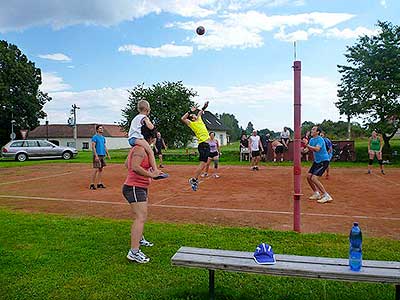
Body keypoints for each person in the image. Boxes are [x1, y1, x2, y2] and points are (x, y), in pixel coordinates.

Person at [123, 127, 163, 263]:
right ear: (151, 139)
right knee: (140, 217)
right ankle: (134, 252)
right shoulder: (140, 149)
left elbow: (126, 164)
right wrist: (151, 174)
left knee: (140, 216)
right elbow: (134, 167)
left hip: (140, 186)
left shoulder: (140, 149)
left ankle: (139, 239)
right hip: (134, 187)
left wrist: (149, 170)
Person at [181, 101, 210, 191]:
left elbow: (200, 111)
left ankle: (194, 179)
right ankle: (193, 179)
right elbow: (183, 118)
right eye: (192, 116)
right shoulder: (192, 124)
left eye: (194, 115)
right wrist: (190, 111)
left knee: (205, 163)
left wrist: (204, 107)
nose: (194, 116)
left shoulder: (199, 119)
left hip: (207, 144)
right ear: (192, 119)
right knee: (203, 163)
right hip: (203, 144)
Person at [128, 99, 160, 174]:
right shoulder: (144, 117)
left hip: (131, 139)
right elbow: (150, 126)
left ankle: (144, 166)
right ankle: (155, 170)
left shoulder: (136, 118)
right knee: (150, 151)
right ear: (147, 109)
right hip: (137, 138)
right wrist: (154, 129)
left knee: (142, 151)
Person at [305, 126, 333, 204]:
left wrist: (307, 145)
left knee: (314, 178)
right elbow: (308, 149)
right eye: (312, 129)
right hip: (317, 161)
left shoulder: (320, 139)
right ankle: (316, 193)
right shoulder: (311, 139)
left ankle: (326, 195)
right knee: (308, 177)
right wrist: (303, 149)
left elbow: (317, 149)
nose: (311, 130)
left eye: (313, 129)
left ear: (318, 132)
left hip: (324, 161)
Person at [90, 125, 111, 190]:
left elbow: (104, 146)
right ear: (97, 130)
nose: (102, 129)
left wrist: (108, 154)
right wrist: (96, 155)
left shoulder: (103, 138)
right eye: (100, 128)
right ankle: (92, 184)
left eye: (102, 128)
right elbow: (93, 147)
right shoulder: (95, 137)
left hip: (102, 155)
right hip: (97, 155)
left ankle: (99, 183)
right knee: (96, 169)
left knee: (100, 170)